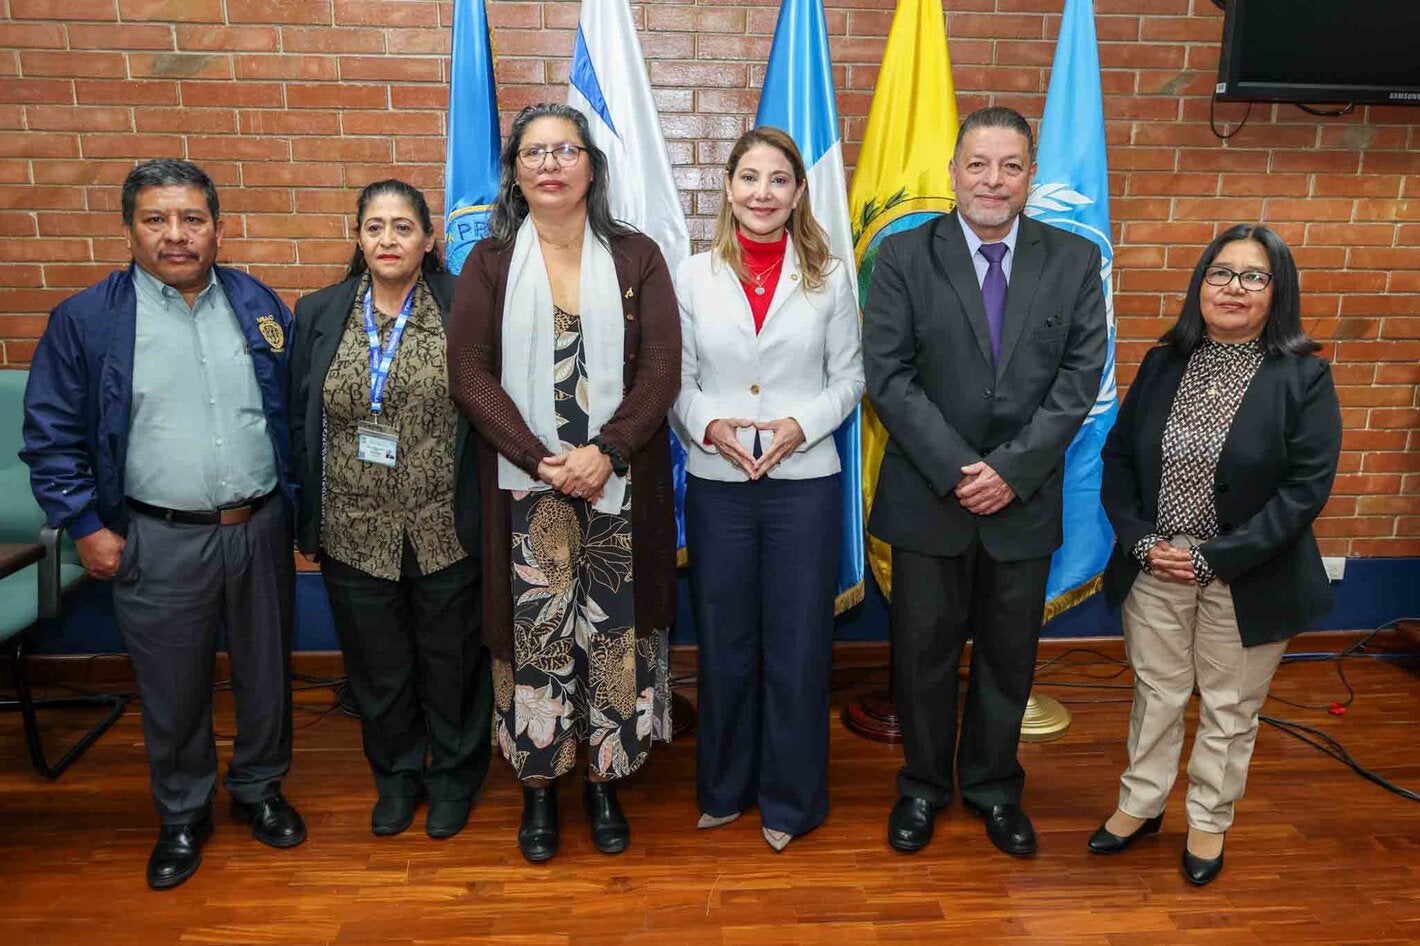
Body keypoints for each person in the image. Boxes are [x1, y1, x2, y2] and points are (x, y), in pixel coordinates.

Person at [21, 159, 304, 890]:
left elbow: (293, 411)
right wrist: (84, 524)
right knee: (172, 684)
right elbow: (50, 435)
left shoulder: (255, 301)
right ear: (128, 230)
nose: (176, 236)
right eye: (157, 220)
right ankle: (182, 814)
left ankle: (260, 791)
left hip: (258, 525)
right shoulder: (87, 320)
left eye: (192, 220)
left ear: (217, 227)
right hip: (156, 535)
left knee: (266, 672)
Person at [863, 107, 1107, 858]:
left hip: (1024, 500)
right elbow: (889, 375)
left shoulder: (1072, 258)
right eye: (978, 164)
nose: (992, 181)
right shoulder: (905, 256)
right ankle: (924, 789)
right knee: (923, 655)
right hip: (930, 494)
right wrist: (961, 470)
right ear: (953, 173)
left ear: (1031, 176)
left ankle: (996, 787)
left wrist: (1010, 471)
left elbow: (1079, 378)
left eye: (1009, 166)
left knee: (1009, 657)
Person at [446, 103, 680, 863]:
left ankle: (605, 784)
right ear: (515, 171)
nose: (551, 163)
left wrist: (607, 450)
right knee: (538, 640)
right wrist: (540, 458)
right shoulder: (487, 264)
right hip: (524, 490)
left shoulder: (637, 256)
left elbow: (662, 373)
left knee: (612, 639)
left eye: (566, 150)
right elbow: (469, 372)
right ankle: (540, 793)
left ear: (591, 166)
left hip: (619, 487)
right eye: (535, 152)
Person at [1089, 224, 1341, 886]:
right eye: (1221, 273)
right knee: (1157, 693)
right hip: (1155, 563)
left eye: (1254, 276)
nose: (1234, 288)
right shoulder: (1163, 362)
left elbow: (1304, 492)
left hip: (1248, 571)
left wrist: (1214, 558)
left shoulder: (1305, 377)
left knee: (1229, 706)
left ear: (1276, 292)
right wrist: (1141, 538)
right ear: (1199, 284)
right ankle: (1140, 806)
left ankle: (1208, 820)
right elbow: (1117, 459)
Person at [671, 127, 863, 852]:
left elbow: (851, 378)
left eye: (777, 179)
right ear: (726, 187)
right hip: (718, 483)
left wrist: (799, 424)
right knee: (724, 642)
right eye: (749, 178)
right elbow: (676, 381)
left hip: (803, 485)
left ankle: (790, 801)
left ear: (798, 191)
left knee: (798, 647)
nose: (762, 193)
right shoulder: (691, 276)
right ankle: (723, 789)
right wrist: (709, 424)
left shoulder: (830, 275)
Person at [289, 180, 491, 840]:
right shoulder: (319, 311)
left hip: (444, 523)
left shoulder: (465, 304)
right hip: (354, 528)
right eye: (374, 227)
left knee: (452, 661)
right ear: (357, 238)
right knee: (378, 669)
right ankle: (398, 776)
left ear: (430, 240)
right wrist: (307, 512)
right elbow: (298, 417)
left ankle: (455, 775)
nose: (387, 239)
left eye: (403, 227)